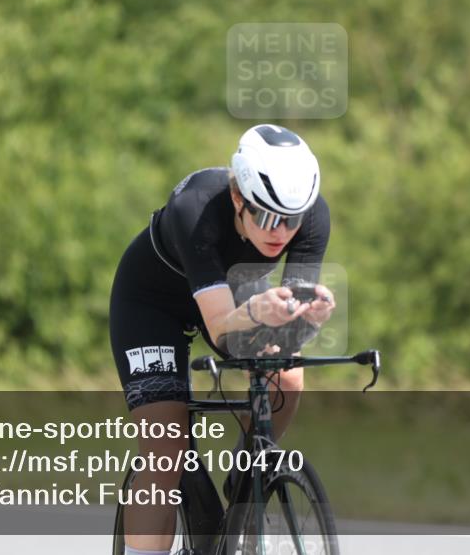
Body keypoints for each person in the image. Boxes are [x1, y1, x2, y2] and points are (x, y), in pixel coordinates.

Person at [109, 124, 336, 555]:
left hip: (234, 293)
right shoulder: (195, 207)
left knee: (287, 378)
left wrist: (308, 321)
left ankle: (249, 474)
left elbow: (289, 333)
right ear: (237, 198)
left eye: (292, 219)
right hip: (152, 306)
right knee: (166, 453)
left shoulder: (310, 217)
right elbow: (222, 331)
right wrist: (258, 312)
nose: (281, 232)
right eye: (266, 216)